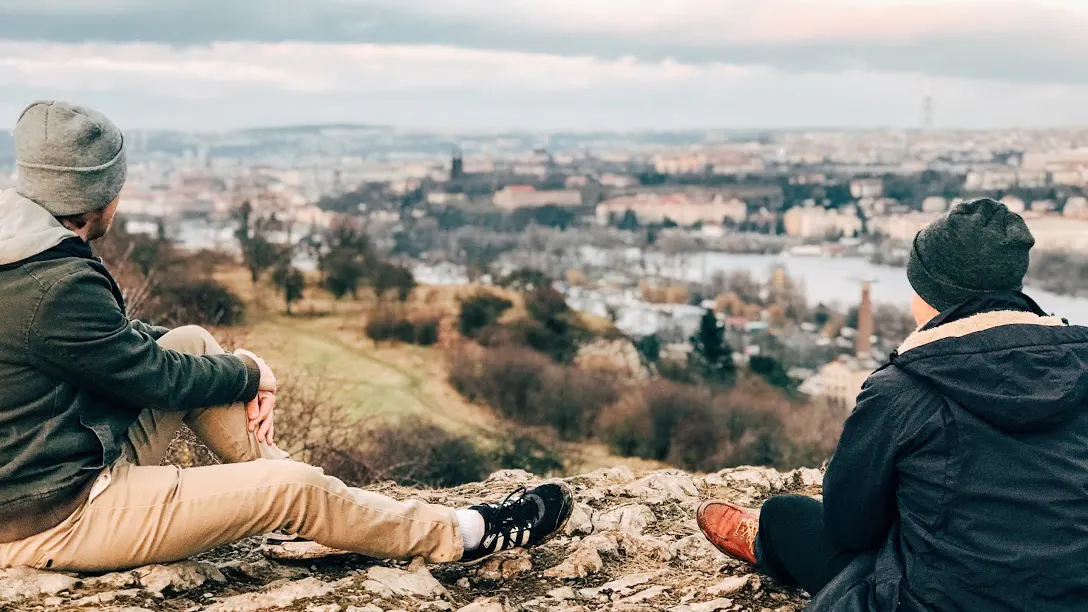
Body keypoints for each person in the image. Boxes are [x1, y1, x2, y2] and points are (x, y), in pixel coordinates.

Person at [0, 101, 573, 573]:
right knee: (288, 485)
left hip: (51, 465)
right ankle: (460, 535)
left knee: (193, 341)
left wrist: (234, 364)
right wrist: (251, 370)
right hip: (54, 515)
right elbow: (156, 378)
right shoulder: (55, 284)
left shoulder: (21, 245)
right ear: (102, 195)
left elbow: (112, 343)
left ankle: (331, 514)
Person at [697, 198, 1088, 612]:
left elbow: (847, 527)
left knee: (785, 515)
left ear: (932, 295)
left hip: (938, 602)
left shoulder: (902, 390)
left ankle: (766, 542)